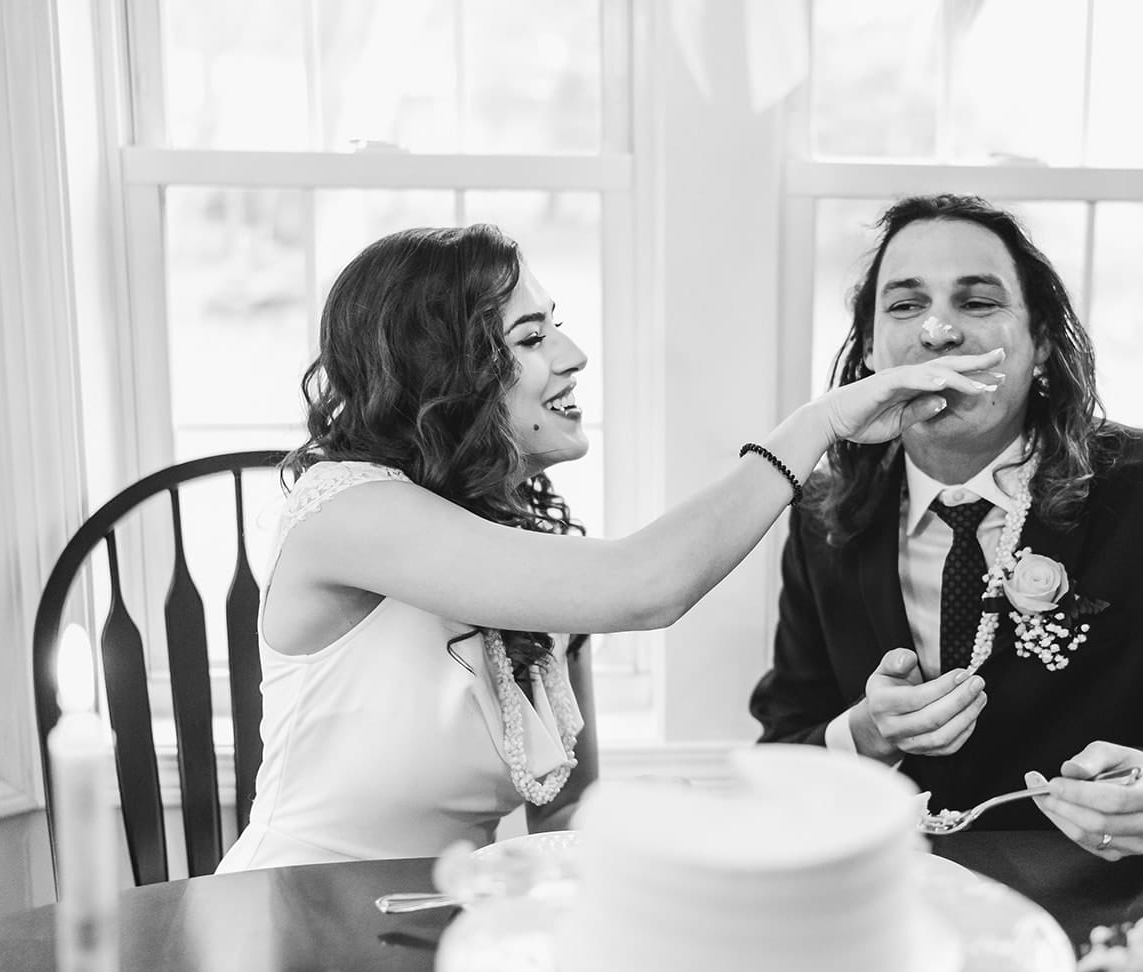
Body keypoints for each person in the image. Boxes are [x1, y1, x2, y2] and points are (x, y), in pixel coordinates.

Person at [216, 224, 1003, 872]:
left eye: (556, 324)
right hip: (289, 913)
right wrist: (818, 424)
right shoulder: (347, 512)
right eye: (532, 335)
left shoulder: (530, 553)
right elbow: (647, 586)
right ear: (443, 372)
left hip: (441, 927)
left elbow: (568, 814)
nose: (571, 354)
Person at [750, 194, 1143, 876]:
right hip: (885, 909)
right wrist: (864, 735)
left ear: (1040, 343)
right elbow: (780, 756)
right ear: (867, 349)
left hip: (1095, 913)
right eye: (905, 305)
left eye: (978, 303)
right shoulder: (822, 514)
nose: (940, 331)